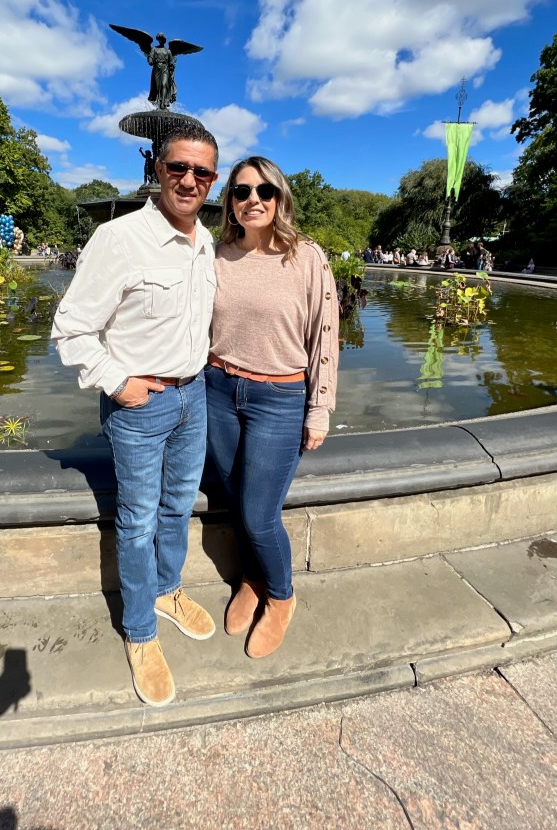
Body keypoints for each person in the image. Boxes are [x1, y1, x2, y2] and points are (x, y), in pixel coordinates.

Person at [51, 121, 219, 707]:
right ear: (158, 170)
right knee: (138, 520)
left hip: (193, 396)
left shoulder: (205, 241)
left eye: (202, 172)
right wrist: (119, 383)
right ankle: (140, 631)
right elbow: (71, 329)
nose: (189, 180)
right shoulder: (119, 238)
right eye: (179, 168)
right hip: (141, 405)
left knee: (178, 506)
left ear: (213, 179)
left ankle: (167, 590)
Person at [205, 157, 338, 660]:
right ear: (230, 202)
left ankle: (281, 597)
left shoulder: (306, 257)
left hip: (278, 399)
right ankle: (252, 579)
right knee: (236, 499)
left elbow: (325, 333)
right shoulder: (216, 255)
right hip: (218, 390)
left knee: (260, 514)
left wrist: (320, 407)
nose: (253, 200)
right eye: (241, 191)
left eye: (264, 190)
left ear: (280, 197)